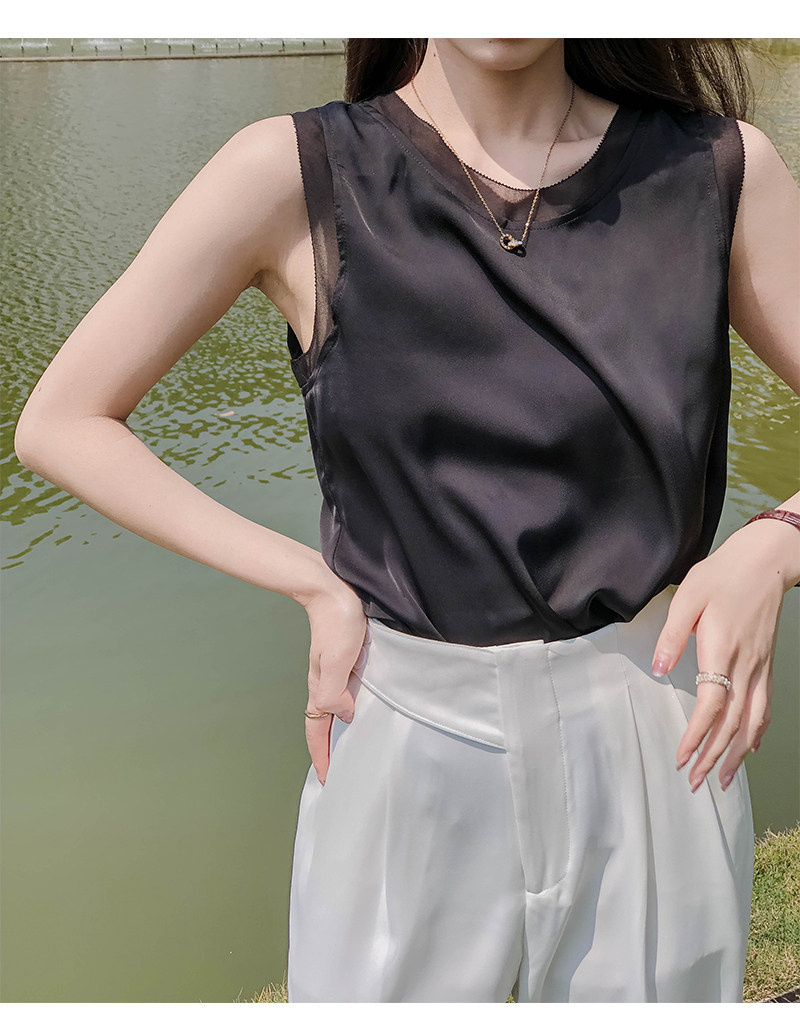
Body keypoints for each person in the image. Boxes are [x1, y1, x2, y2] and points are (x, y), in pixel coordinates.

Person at [13, 38, 800, 1004]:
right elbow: (62, 422)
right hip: (404, 732)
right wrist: (309, 581)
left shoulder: (717, 169)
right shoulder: (292, 172)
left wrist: (777, 541)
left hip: (658, 729)